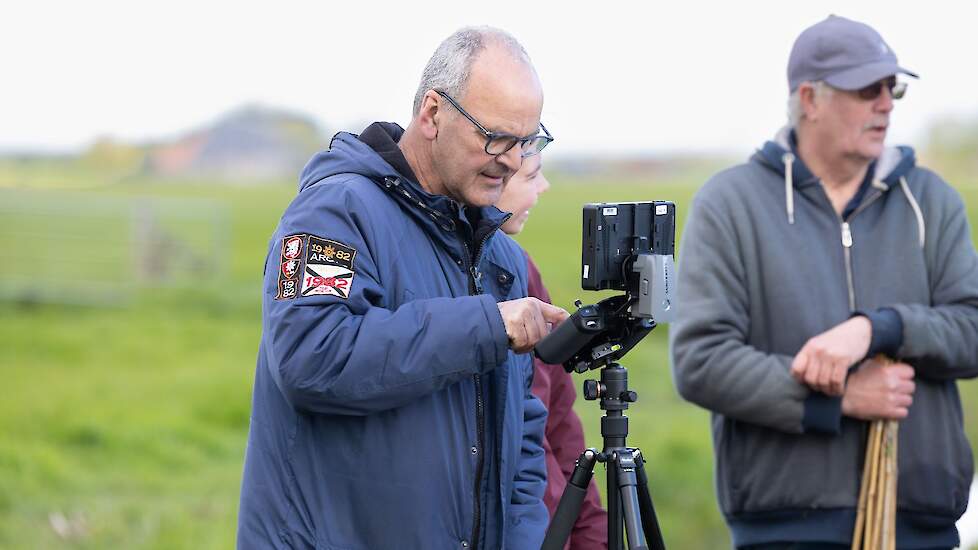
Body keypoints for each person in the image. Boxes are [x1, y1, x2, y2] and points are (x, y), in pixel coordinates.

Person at [237, 26, 570, 550]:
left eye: (527, 141)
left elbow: (524, 440)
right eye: (496, 136)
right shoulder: (332, 215)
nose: (512, 159)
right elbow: (312, 356)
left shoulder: (502, 255)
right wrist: (487, 326)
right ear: (433, 114)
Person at [670, 15, 978, 550]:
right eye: (867, 89)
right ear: (809, 99)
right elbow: (701, 360)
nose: (886, 103)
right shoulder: (730, 204)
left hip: (922, 527)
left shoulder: (933, 201)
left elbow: (973, 329)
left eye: (892, 88)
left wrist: (879, 329)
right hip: (784, 527)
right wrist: (835, 402)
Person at [495, 153, 609, 548]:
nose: (544, 187)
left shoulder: (521, 269)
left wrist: (591, 535)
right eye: (532, 175)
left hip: (549, 526)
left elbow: (558, 422)